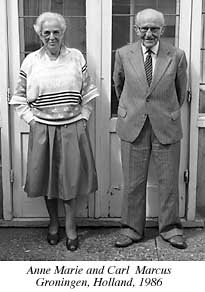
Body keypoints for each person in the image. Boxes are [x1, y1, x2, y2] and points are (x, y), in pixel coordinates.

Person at [10, 12, 99, 251]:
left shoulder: (75, 58)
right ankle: (53, 223)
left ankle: (70, 226)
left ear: (63, 33)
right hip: (42, 129)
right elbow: (18, 97)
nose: (52, 37)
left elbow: (88, 94)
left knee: (70, 180)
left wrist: (84, 118)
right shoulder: (31, 61)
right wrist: (31, 121)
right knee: (47, 179)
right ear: (39, 34)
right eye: (46, 32)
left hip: (72, 127)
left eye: (56, 32)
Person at [113, 8, 187, 249]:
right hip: (133, 124)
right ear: (136, 29)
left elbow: (180, 90)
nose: (148, 33)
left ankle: (171, 228)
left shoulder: (176, 55)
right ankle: (131, 229)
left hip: (166, 124)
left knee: (168, 181)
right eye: (144, 28)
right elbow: (119, 85)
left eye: (154, 28)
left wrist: (163, 110)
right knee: (133, 182)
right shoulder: (123, 54)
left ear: (162, 30)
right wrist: (135, 108)